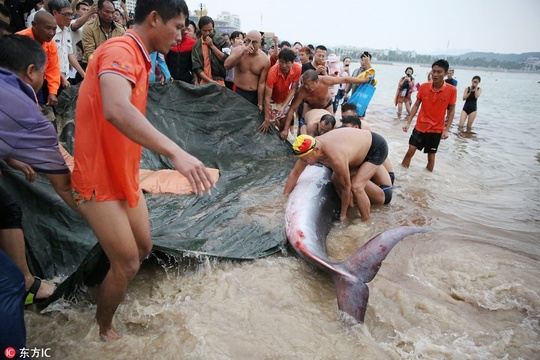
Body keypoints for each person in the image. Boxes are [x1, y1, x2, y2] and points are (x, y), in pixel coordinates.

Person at [71, 0, 215, 340]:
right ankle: (104, 328)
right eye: (178, 27)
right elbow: (116, 108)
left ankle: (105, 289)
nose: (181, 36)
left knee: (144, 247)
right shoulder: (121, 50)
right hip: (97, 178)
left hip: (124, 173)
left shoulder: (142, 55)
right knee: (129, 262)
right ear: (154, 18)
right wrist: (176, 153)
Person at [0, 34, 78, 304]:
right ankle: (23, 286)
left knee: (7, 208)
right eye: (44, 73)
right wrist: (106, 222)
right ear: (31, 71)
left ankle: (25, 282)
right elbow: (65, 186)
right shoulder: (26, 111)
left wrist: (10, 158)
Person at [284, 129, 389, 222]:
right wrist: (285, 197)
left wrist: (343, 215)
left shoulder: (335, 157)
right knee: (335, 179)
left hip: (375, 147)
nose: (303, 162)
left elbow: (346, 188)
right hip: (356, 148)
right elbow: (295, 173)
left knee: (356, 186)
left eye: (305, 159)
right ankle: (352, 207)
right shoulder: (309, 148)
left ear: (316, 150)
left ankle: (366, 221)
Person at [280, 69, 371, 140]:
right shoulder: (302, 91)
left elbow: (344, 79)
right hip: (309, 106)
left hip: (326, 105)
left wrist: (363, 80)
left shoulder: (324, 80)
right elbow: (292, 109)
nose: (306, 87)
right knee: (304, 128)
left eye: (308, 84)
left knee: (329, 127)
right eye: (304, 84)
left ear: (316, 81)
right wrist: (285, 129)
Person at [401, 59, 457, 172]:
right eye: (434, 71)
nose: (435, 74)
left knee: (431, 157)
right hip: (420, 126)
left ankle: (427, 182)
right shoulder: (424, 87)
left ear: (446, 73)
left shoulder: (452, 90)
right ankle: (401, 175)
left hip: (436, 129)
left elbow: (451, 110)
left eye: (439, 72)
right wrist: (408, 122)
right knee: (410, 151)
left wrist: (446, 130)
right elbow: (416, 105)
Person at [16, 11, 60, 106]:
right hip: (16, 85)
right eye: (48, 28)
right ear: (34, 25)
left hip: (37, 85)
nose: (52, 33)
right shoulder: (19, 40)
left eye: (54, 29)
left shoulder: (51, 44)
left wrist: (53, 92)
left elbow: (53, 69)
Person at [224, 29, 270, 110]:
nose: (250, 44)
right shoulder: (237, 50)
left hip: (254, 94)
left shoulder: (264, 59)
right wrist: (242, 53)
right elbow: (227, 65)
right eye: (248, 41)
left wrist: (260, 102)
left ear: (260, 43)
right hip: (239, 92)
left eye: (254, 42)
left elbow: (261, 83)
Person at [260, 48, 301, 133]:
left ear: (292, 62)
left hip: (284, 97)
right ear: (278, 60)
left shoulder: (297, 69)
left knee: (284, 122)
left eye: (287, 63)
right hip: (272, 98)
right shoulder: (272, 72)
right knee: (269, 124)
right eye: (281, 62)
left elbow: (293, 89)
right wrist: (267, 119)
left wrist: (284, 106)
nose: (284, 65)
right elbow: (267, 98)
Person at [49, 0, 85, 90]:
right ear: (55, 13)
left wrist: (83, 73)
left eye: (71, 14)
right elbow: (49, 60)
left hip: (66, 77)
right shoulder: (49, 33)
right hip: (53, 79)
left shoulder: (66, 30)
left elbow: (70, 54)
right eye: (66, 14)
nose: (70, 17)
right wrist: (62, 78)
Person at [81, 0, 125, 64]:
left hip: (114, 67)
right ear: (99, 10)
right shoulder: (89, 27)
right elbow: (90, 54)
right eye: (107, 12)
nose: (110, 15)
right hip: (92, 66)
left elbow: (122, 52)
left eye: (112, 12)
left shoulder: (120, 30)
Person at [191, 15, 229, 86]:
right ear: (200, 30)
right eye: (205, 31)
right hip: (203, 82)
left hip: (219, 81)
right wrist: (209, 80)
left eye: (210, 30)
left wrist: (212, 46)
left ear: (213, 28)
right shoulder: (196, 46)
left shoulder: (222, 41)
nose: (208, 33)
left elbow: (226, 59)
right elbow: (196, 67)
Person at [166, 17, 196, 84]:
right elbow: (163, 60)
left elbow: (195, 64)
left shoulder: (193, 44)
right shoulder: (168, 41)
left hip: (187, 81)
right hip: (170, 80)